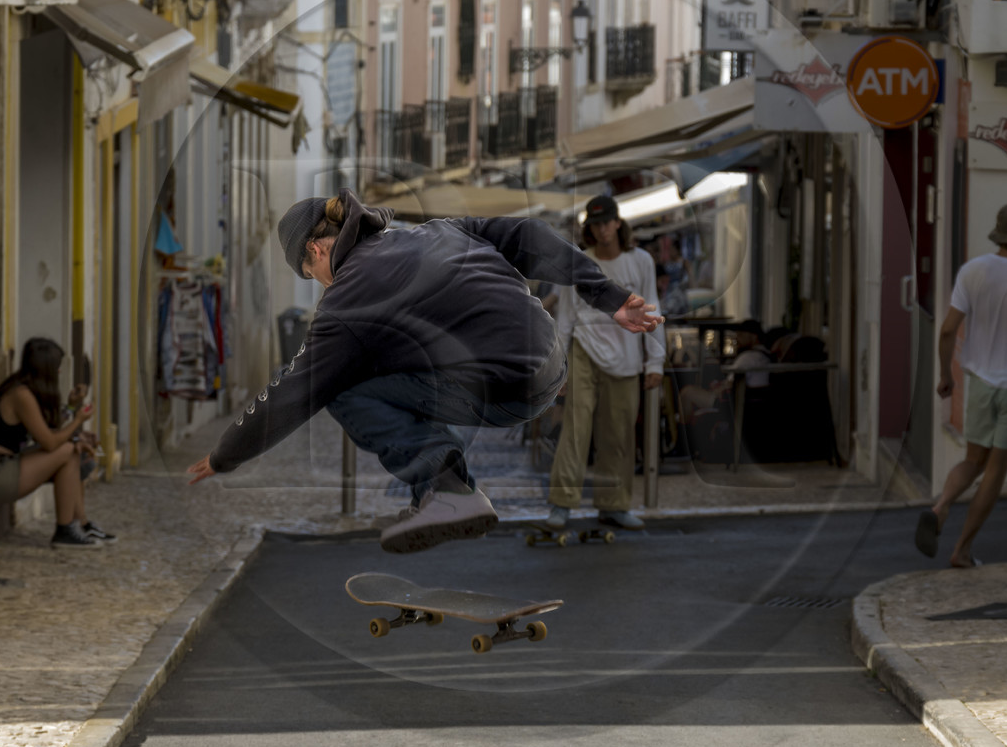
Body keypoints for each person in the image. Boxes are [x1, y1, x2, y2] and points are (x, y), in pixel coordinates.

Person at [186, 190, 661, 554]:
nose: (321, 285)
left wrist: (226, 454)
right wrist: (609, 296)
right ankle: (446, 488)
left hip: (501, 389)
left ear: (316, 250)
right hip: (551, 361)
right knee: (389, 350)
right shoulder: (439, 229)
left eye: (312, 276)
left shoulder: (345, 299)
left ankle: (445, 487)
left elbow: (294, 391)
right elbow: (530, 237)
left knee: (344, 388)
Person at [917, 203, 1007, 568]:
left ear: (999, 235)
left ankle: (941, 504)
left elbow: (948, 329)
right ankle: (962, 550)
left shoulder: (972, 271)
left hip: (978, 381)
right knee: (994, 472)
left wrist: (946, 375)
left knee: (973, 460)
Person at [545, 195, 666, 531]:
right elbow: (565, 317)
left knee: (619, 434)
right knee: (574, 429)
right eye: (595, 224)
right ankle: (561, 503)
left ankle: (614, 504)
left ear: (617, 223)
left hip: (627, 355)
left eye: (606, 222)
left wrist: (655, 362)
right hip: (584, 349)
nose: (601, 230)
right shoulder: (578, 262)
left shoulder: (640, 261)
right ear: (590, 228)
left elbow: (651, 309)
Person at [0, 337, 112, 549]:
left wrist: (71, 410)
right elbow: (50, 443)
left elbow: (44, 430)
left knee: (73, 450)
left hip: (6, 464)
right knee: (67, 449)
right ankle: (65, 529)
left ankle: (79, 524)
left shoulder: (22, 390)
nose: (59, 373)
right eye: (56, 368)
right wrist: (78, 421)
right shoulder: (21, 395)